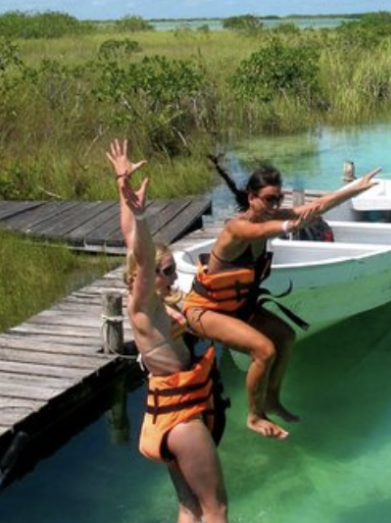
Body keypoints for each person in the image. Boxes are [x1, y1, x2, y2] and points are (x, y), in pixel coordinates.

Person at [183, 156, 380, 439]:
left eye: (279, 199)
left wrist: (355, 189)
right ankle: (254, 416)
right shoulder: (236, 227)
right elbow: (261, 231)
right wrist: (291, 225)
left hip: (238, 307)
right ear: (252, 198)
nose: (275, 206)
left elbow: (314, 207)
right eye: (269, 199)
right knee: (265, 350)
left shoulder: (270, 216)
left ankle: (272, 399)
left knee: (286, 336)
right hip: (206, 310)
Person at [107, 139, 229, 523]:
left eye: (175, 267)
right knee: (216, 507)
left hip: (167, 416)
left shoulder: (154, 303)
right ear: (144, 277)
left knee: (189, 505)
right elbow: (141, 257)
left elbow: (131, 242)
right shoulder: (143, 306)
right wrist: (142, 219)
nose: (175, 275)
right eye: (168, 270)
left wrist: (122, 187)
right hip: (183, 420)